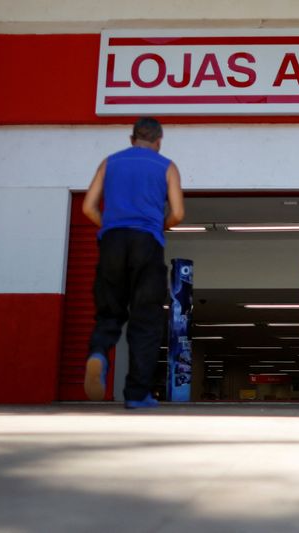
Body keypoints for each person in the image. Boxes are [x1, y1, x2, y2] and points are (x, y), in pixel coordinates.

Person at [82, 117, 185, 409]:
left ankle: (99, 353)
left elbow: (88, 206)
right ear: (158, 141)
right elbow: (177, 212)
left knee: (109, 312)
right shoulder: (166, 166)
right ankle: (137, 394)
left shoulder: (109, 163)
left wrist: (109, 226)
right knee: (146, 319)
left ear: (131, 139)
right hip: (147, 242)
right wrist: (157, 227)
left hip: (112, 241)